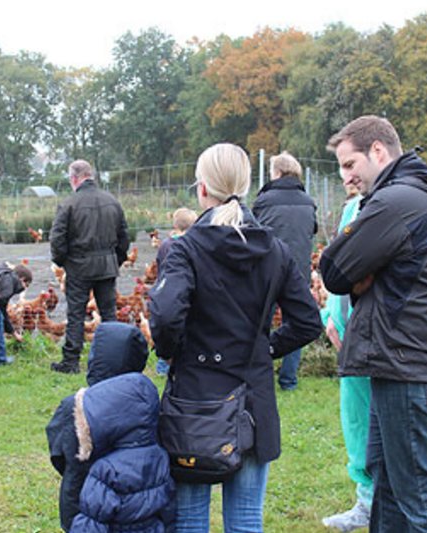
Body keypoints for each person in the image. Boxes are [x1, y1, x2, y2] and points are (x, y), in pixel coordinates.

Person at [149, 143, 322, 531]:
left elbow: (164, 316)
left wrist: (174, 352)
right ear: (245, 187)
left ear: (202, 189)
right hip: (251, 396)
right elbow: (308, 320)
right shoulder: (274, 250)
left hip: (195, 398)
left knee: (190, 518)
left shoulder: (185, 249)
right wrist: (266, 348)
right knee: (245, 521)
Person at [320, 115, 427, 532]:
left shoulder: (396, 202)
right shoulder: (413, 197)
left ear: (379, 151)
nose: (347, 176)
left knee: (419, 494)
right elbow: (347, 271)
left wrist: (362, 275)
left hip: (412, 368)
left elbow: (332, 268)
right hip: (405, 363)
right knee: (389, 487)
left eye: (350, 164)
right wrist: (361, 275)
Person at [46, 322, 173, 531]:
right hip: (139, 510)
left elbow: (59, 450)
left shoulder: (76, 405)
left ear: (96, 356)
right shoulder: (145, 403)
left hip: (79, 499)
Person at [320, 179, 372, 532]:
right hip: (348, 342)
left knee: (381, 423)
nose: (344, 176)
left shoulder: (386, 210)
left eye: (351, 164)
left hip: (375, 341)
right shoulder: (349, 210)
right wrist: (329, 317)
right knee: (355, 421)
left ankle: (386, 503)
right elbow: (336, 271)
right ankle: (366, 501)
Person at [49, 160, 129, 374]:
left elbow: (57, 239)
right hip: (106, 265)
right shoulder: (112, 201)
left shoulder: (69, 204)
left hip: (78, 266)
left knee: (76, 314)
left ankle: (71, 361)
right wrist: (115, 260)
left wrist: (63, 262)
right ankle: (115, 361)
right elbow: (124, 238)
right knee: (109, 314)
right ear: (90, 175)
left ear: (74, 178)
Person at [251, 151, 317, 391]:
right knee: (295, 322)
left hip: (266, 270)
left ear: (276, 173)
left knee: (261, 323)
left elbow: (253, 232)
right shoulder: (309, 202)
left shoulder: (263, 200)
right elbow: (312, 230)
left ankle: (260, 370)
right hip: (298, 269)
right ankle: (289, 380)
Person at [154, 206, 198, 376]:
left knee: (167, 327)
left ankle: (162, 366)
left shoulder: (166, 244)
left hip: (165, 289)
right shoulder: (190, 245)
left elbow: (160, 266)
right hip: (184, 291)